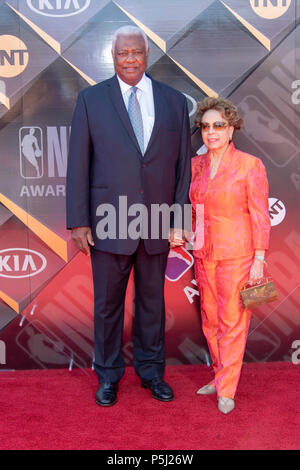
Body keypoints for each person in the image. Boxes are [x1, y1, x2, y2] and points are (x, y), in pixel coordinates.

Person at [66, 26, 191, 406]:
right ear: (114, 56)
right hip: (107, 220)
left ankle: (152, 373)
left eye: (137, 52)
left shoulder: (172, 101)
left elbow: (183, 166)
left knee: (153, 304)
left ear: (148, 54)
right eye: (123, 53)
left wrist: (179, 219)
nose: (131, 59)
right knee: (107, 305)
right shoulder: (91, 100)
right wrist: (79, 221)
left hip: (156, 219)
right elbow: (78, 165)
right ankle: (107, 375)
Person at [188, 97, 270, 414]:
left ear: (232, 127)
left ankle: (228, 388)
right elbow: (192, 210)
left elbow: (260, 215)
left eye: (218, 125)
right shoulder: (196, 166)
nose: (212, 132)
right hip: (203, 253)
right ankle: (220, 375)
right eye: (206, 126)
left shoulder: (251, 165)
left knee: (232, 322)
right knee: (210, 321)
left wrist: (259, 259)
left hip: (239, 255)